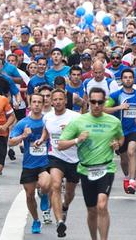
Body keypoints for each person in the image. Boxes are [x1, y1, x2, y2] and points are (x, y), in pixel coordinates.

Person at [58, 87, 124, 240]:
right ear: (88, 102)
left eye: (100, 102)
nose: (96, 105)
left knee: (102, 205)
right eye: (93, 102)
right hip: (86, 170)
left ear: (104, 102)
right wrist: (77, 140)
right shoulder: (78, 121)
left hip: (106, 167)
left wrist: (117, 144)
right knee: (92, 210)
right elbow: (60, 144)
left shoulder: (114, 121)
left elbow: (120, 138)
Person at [38, 89, 80, 237]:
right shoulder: (47, 117)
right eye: (54, 99)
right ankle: (60, 222)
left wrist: (72, 132)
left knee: (69, 193)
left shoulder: (75, 117)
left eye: (60, 99)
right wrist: (42, 139)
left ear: (65, 101)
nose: (57, 102)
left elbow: (84, 134)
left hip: (74, 159)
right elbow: (46, 130)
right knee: (55, 185)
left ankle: (65, 206)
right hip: (55, 157)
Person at [8, 93, 51, 234]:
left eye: (40, 102)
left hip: (45, 162)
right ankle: (36, 220)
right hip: (29, 164)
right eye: (35, 102)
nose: (37, 104)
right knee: (29, 195)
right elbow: (11, 141)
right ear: (30, 104)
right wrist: (23, 136)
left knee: (45, 184)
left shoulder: (48, 121)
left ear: (43, 104)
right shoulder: (23, 123)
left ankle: (44, 194)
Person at [105, 69, 136, 194]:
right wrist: (119, 107)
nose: (128, 79)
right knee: (123, 159)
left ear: (134, 79)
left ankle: (132, 181)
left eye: (130, 77)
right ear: (121, 80)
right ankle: (128, 176)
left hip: (134, 129)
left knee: (131, 151)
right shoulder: (116, 95)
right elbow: (103, 109)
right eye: (125, 77)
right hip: (119, 131)